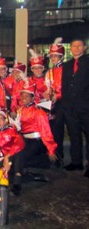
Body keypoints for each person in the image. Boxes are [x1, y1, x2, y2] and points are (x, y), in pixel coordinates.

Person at [61, 38, 89, 177]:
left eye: (79, 46)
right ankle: (76, 161)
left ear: (85, 47)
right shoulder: (67, 65)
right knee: (74, 135)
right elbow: (64, 85)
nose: (76, 48)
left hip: (86, 107)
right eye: (73, 46)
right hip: (70, 107)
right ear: (70, 48)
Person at [0, 110, 25, 196]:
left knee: (19, 152)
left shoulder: (11, 129)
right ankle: (25, 176)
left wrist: (8, 157)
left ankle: (17, 185)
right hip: (1, 159)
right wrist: (3, 160)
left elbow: (19, 143)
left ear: (5, 120)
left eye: (1, 119)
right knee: (12, 174)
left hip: (13, 156)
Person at [44, 37, 65, 166]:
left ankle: (59, 155)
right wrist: (47, 94)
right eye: (52, 56)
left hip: (63, 102)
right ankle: (52, 154)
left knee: (59, 130)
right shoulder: (50, 72)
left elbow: (68, 87)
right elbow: (47, 87)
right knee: (50, 129)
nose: (53, 58)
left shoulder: (66, 70)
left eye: (56, 56)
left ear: (61, 56)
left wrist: (57, 96)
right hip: (51, 103)